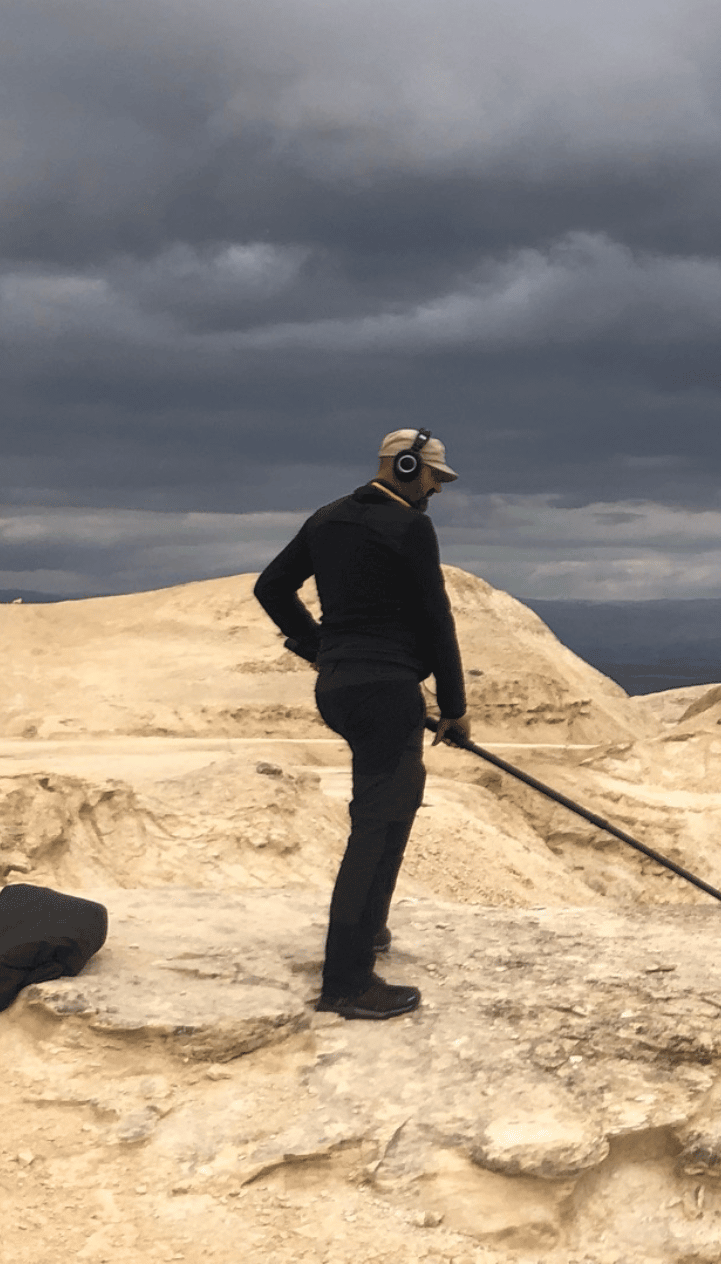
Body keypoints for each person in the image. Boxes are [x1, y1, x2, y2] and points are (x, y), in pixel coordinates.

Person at [254, 428, 469, 1021]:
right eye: (434, 477)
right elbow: (436, 618)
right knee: (376, 826)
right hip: (387, 691)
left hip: (340, 689)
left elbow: (271, 588)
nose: (436, 490)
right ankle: (346, 984)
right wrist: (454, 706)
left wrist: (320, 648)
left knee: (396, 800)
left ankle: (368, 931)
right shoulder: (411, 527)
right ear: (407, 466)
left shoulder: (327, 518)